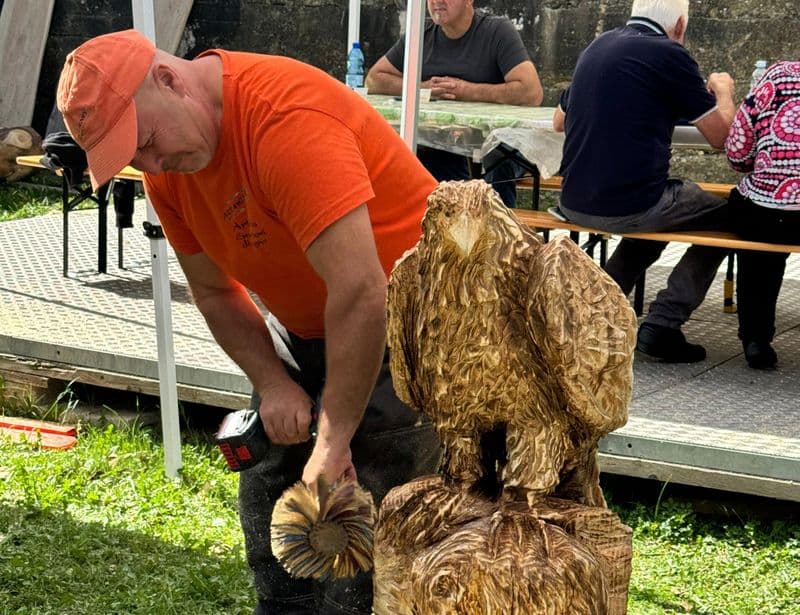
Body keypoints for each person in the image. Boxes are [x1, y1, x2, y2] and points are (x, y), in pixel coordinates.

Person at [56, 29, 441, 615]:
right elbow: (213, 292)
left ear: (168, 80)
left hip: (414, 321)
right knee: (268, 474)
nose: (153, 165)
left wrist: (334, 441)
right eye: (134, 158)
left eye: (148, 141)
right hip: (315, 321)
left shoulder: (282, 121)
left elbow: (363, 292)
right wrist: (272, 382)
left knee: (368, 505)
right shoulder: (169, 171)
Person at [552, 0, 737, 363]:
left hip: (573, 201)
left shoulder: (598, 45)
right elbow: (721, 136)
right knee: (731, 219)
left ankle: (599, 309)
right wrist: (723, 89)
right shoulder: (669, 54)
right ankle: (664, 322)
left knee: (662, 210)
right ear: (680, 25)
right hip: (631, 205)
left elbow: (559, 121)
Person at [365, 0, 543, 207]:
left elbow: (531, 92)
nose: (437, 2)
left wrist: (467, 91)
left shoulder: (497, 30)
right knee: (411, 153)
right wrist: (421, 87)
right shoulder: (420, 34)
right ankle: (439, 225)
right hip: (446, 144)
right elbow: (374, 79)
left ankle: (499, 234)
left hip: (501, 143)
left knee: (497, 159)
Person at [725, 60, 800, 369]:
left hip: (766, 213)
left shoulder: (775, 77)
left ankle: (756, 340)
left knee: (758, 237)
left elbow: (737, 153)